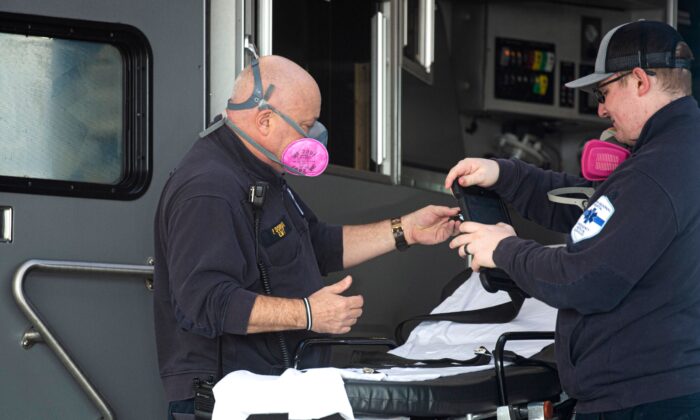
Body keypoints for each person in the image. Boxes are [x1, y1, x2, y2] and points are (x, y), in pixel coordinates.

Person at [154, 54, 459, 419]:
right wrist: (309, 314)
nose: (313, 138)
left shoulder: (263, 173)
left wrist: (405, 230)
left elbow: (315, 244)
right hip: (230, 400)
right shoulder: (209, 188)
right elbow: (204, 303)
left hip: (277, 390)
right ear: (265, 120)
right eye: (305, 125)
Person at [445, 20, 700, 419]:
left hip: (644, 401)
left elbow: (587, 279)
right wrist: (506, 175)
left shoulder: (656, 172)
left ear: (638, 81)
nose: (601, 108)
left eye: (604, 92)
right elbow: (593, 210)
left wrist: (504, 250)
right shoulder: (673, 155)